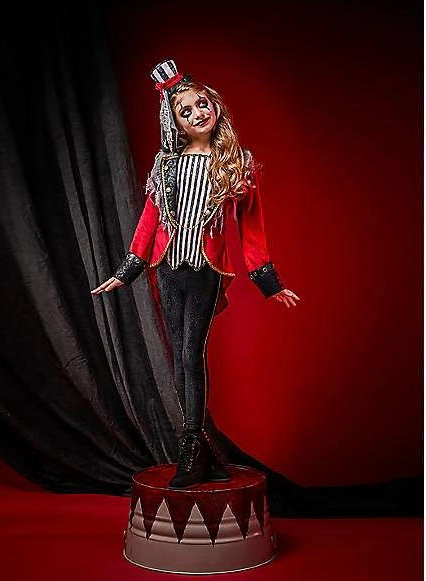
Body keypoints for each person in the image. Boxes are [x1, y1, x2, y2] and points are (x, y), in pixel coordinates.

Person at [91, 59, 300, 489]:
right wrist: (128, 270)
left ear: (214, 104)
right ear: (177, 123)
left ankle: (190, 444)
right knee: (178, 356)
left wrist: (269, 282)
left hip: (205, 270)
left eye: (201, 103)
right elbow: (149, 221)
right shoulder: (165, 164)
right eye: (185, 111)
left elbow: (251, 230)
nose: (197, 113)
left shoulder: (236, 162)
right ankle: (202, 448)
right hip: (168, 269)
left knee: (191, 354)